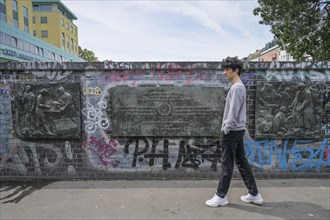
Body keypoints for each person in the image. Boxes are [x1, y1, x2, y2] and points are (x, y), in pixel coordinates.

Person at [206, 57, 263, 207]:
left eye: (227, 69)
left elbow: (233, 111)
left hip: (231, 131)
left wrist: (226, 129)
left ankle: (221, 196)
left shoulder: (236, 87)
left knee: (227, 164)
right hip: (238, 130)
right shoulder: (239, 87)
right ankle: (254, 194)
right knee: (241, 162)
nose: (225, 72)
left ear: (236, 70)